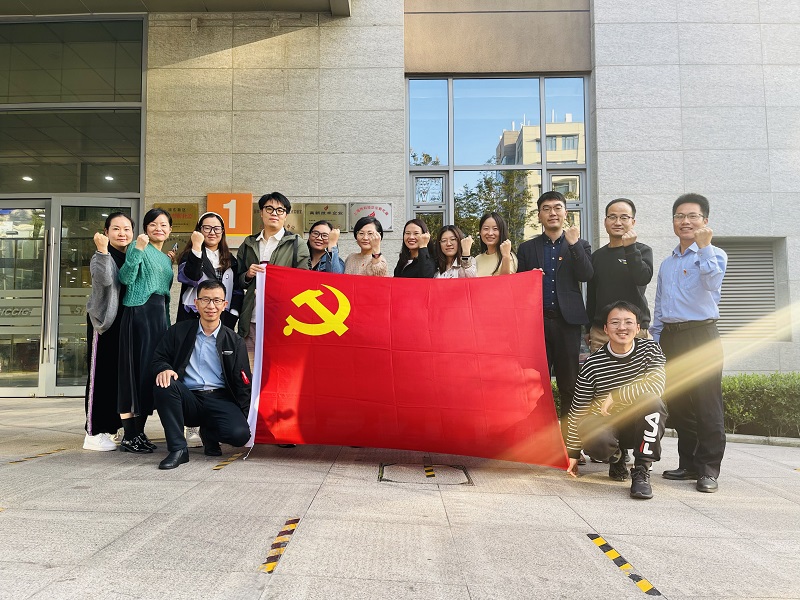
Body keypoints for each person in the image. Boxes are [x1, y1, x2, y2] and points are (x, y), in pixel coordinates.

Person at [651, 193, 727, 493]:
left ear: (704, 220)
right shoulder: (667, 263)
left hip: (701, 335)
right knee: (680, 404)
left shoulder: (714, 254)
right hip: (671, 336)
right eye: (679, 216)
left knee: (708, 404)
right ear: (673, 222)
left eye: (692, 216)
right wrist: (657, 340)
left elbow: (713, 283)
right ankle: (689, 463)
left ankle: (708, 469)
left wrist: (704, 247)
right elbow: (660, 305)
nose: (685, 221)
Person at [566, 301, 668, 500]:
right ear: (605, 328)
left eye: (628, 322)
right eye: (615, 322)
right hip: (609, 425)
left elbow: (656, 386)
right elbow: (578, 409)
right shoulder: (593, 364)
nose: (622, 327)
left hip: (639, 424)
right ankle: (616, 458)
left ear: (637, 328)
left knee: (652, 401)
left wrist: (616, 395)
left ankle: (641, 470)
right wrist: (573, 453)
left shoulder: (651, 350)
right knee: (587, 425)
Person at [517, 191, 593, 443]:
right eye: (546, 208)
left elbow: (586, 275)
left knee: (569, 384)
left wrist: (574, 245)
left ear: (565, 213)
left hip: (567, 324)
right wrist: (530, 278)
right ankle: (542, 442)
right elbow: (518, 287)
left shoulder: (579, 245)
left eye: (557, 207)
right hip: (536, 325)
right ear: (539, 215)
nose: (552, 213)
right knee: (536, 386)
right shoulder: (527, 248)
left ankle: (570, 443)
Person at [152, 280, 251, 470]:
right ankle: (178, 449)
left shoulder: (234, 341)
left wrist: (244, 416)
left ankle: (210, 432)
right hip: (188, 398)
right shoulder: (178, 331)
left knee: (239, 435)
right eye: (205, 300)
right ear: (196, 303)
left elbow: (243, 382)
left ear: (224, 304)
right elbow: (158, 358)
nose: (211, 306)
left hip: (220, 398)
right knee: (164, 383)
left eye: (216, 300)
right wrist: (164, 368)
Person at [175, 211, 241, 448]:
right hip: (193, 318)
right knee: (190, 366)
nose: (212, 232)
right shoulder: (189, 254)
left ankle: (210, 422)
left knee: (214, 367)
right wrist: (196, 247)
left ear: (223, 232)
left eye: (217, 228)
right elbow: (190, 277)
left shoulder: (230, 260)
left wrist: (232, 315)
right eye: (207, 228)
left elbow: (237, 290)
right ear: (199, 230)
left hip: (220, 320)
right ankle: (191, 425)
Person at [117, 208, 174, 454]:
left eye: (163, 225)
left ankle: (138, 433)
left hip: (158, 318)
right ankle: (130, 435)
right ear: (145, 228)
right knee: (134, 373)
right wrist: (138, 249)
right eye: (153, 224)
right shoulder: (137, 246)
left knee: (149, 375)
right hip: (139, 314)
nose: (158, 228)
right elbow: (126, 278)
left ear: (170, 230)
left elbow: (165, 293)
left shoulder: (165, 258)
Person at [236, 192, 310, 361]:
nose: (274, 213)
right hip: (252, 318)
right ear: (261, 212)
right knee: (250, 366)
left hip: (283, 320)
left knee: (279, 366)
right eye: (269, 209)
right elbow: (238, 281)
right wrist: (247, 275)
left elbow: (304, 281)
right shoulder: (248, 243)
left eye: (280, 210)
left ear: (286, 215)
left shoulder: (296, 243)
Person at [84, 212, 134, 451]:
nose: (122, 233)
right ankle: (93, 432)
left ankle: (111, 428)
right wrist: (102, 250)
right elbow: (104, 280)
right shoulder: (100, 256)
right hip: (104, 324)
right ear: (106, 232)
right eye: (116, 228)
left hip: (124, 324)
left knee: (116, 377)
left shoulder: (130, 255)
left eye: (126, 229)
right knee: (100, 377)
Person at [586, 198, 653, 353]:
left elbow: (642, 278)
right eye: (612, 217)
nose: (617, 222)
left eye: (624, 217)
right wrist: (588, 327)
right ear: (605, 221)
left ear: (633, 222)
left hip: (635, 330)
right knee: (601, 370)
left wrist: (630, 248)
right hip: (602, 332)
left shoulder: (642, 251)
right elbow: (592, 295)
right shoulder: (597, 256)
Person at [474, 212, 517, 276]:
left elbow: (506, 280)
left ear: (502, 232)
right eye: (486, 228)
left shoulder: (509, 257)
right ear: (480, 232)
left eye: (495, 229)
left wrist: (506, 257)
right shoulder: (477, 259)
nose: (490, 233)